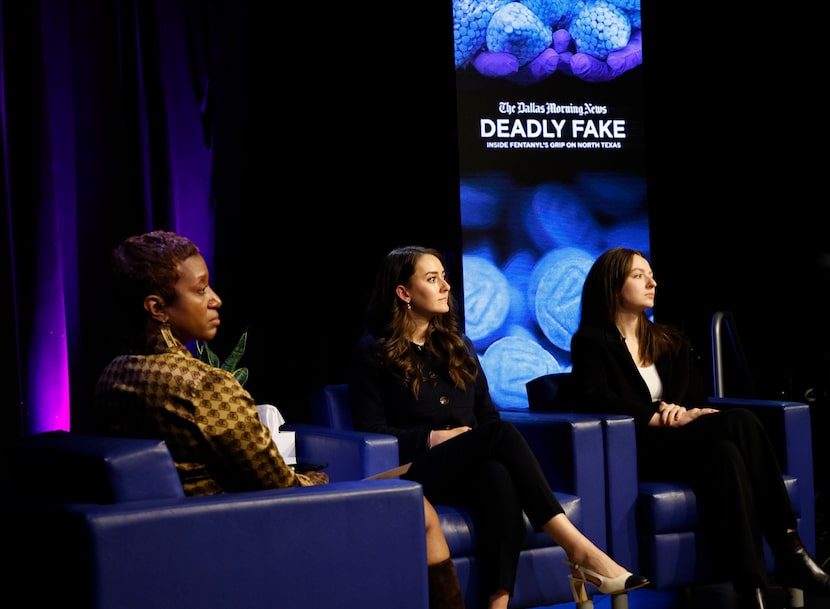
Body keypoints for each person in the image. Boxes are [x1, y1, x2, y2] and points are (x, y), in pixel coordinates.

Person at [93, 231, 464, 609]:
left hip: (179, 540)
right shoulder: (206, 386)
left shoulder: (112, 376)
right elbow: (282, 489)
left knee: (404, 472)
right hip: (250, 533)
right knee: (417, 506)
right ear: (157, 307)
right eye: (201, 290)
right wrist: (318, 478)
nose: (215, 300)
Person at [348, 244, 649, 609]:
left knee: (497, 473)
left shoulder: (460, 347)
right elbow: (370, 430)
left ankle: (499, 601)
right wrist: (433, 438)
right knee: (499, 437)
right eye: (432, 279)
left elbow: (486, 416)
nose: (445, 286)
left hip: (467, 466)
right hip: (414, 470)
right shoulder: (373, 353)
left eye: (444, 277)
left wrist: (470, 443)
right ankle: (580, 550)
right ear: (403, 293)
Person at [569, 246, 830, 609]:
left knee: (726, 454)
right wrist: (660, 415)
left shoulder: (670, 340)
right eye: (639, 275)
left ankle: (751, 587)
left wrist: (684, 411)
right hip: (642, 450)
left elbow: (694, 398)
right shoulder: (591, 342)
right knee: (739, 420)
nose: (652, 282)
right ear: (613, 287)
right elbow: (595, 398)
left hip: (688, 443)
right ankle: (788, 543)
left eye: (651, 274)